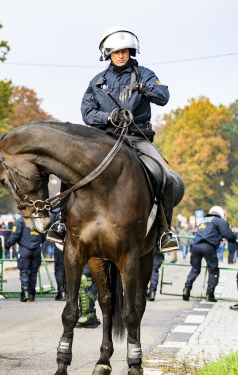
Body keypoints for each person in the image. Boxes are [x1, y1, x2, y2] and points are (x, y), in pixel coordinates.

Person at [48, 26, 179, 254]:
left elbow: (163, 96)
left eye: (125, 51)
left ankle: (164, 231)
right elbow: (87, 112)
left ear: (132, 52)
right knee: (70, 169)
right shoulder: (97, 81)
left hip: (137, 137)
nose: (121, 55)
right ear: (107, 54)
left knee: (164, 175)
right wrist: (109, 116)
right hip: (104, 138)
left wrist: (142, 87)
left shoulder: (145, 74)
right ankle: (61, 222)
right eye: (116, 52)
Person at [183, 206, 237, 302]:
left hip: (196, 246)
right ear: (220, 213)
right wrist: (234, 237)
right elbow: (228, 234)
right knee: (213, 270)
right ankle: (210, 294)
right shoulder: (219, 220)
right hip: (208, 247)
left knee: (195, 269)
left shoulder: (203, 220)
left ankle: (186, 289)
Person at [6, 214, 45, 302]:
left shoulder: (21, 220)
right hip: (37, 249)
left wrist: (8, 244)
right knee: (34, 273)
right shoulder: (39, 220)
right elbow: (44, 236)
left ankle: (25, 292)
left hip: (25, 249)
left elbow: (15, 235)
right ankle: (32, 294)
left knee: (24, 271)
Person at [51, 208, 66, 301]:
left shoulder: (56, 213)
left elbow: (52, 227)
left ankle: (61, 291)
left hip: (59, 243)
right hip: (71, 244)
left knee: (60, 268)